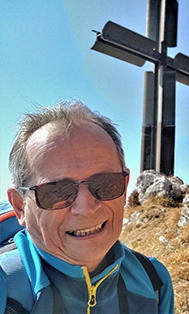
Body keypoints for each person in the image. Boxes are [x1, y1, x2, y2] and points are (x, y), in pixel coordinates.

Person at [0, 101, 174, 314]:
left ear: (125, 187)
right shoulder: (5, 285)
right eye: (56, 191)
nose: (86, 208)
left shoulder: (155, 280)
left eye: (105, 184)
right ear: (20, 206)